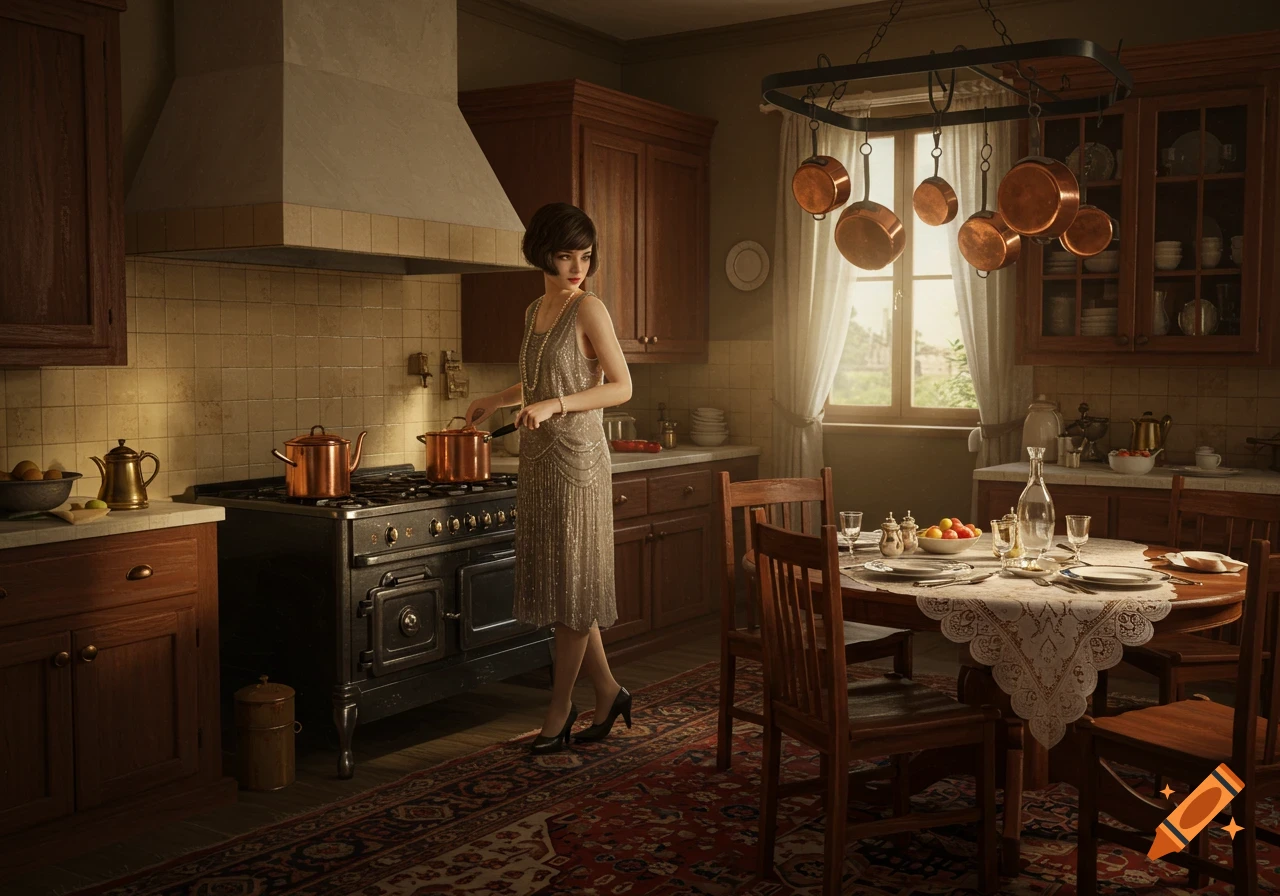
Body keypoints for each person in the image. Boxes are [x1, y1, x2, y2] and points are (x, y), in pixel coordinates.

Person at [464, 202, 633, 754]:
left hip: (579, 467)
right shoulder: (535, 307)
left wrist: (556, 406)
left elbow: (621, 387)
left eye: (584, 256)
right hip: (540, 465)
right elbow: (535, 379)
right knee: (568, 587)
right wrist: (497, 398)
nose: (577, 267)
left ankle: (558, 710)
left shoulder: (591, 309)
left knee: (572, 592)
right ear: (542, 255)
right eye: (566, 257)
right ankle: (607, 691)